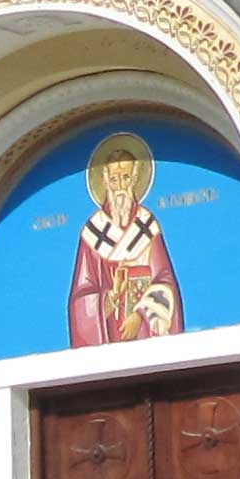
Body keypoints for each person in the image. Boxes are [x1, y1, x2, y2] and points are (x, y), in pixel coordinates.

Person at [65, 129, 185, 347]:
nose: (120, 186)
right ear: (105, 182)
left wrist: (140, 315)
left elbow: (164, 280)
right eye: (114, 179)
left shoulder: (146, 225)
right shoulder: (94, 232)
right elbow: (81, 297)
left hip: (146, 331)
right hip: (109, 330)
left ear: (135, 178)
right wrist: (110, 298)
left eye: (125, 177)